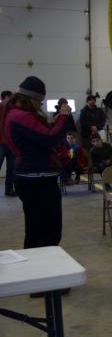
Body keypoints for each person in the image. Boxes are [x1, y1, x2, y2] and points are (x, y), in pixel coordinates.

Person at [3, 76, 71, 248]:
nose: (40, 106)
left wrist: (53, 122)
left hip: (31, 179)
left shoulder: (13, 114)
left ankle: (36, 268)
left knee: (35, 231)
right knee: (48, 233)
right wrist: (63, 117)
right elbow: (49, 139)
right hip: (38, 181)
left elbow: (37, 136)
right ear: (32, 99)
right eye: (40, 102)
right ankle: (44, 270)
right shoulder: (21, 116)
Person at [0, 90, 16, 196]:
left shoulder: (11, 110)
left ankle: (9, 189)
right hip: (0, 143)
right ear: (4, 98)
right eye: (9, 99)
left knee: (12, 168)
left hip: (11, 143)